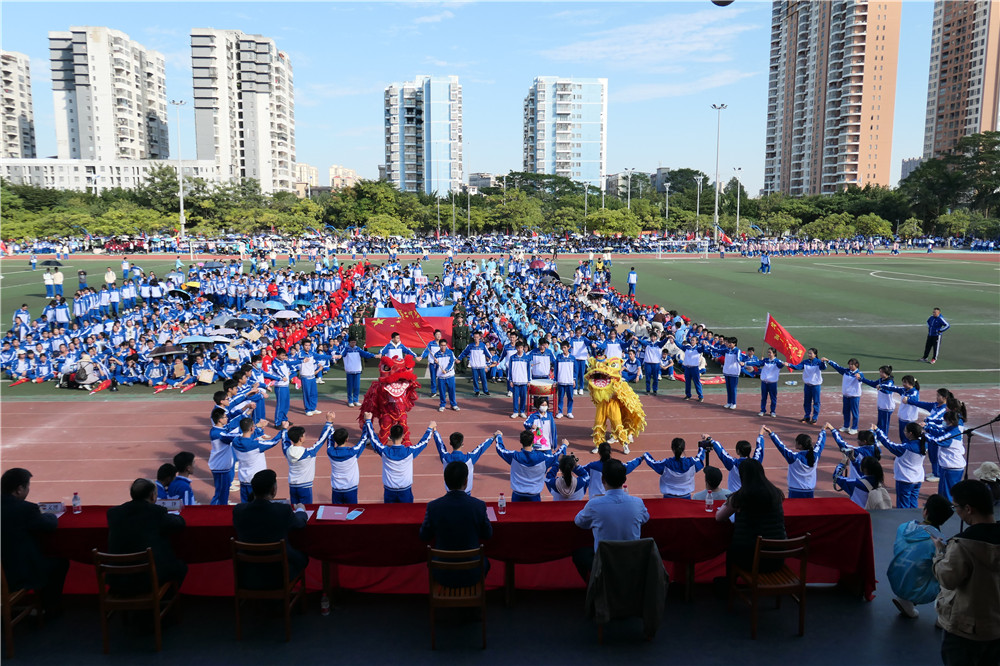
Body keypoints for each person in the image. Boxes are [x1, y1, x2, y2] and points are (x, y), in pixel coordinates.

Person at [932, 480, 1000, 665]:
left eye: (956, 507)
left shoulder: (963, 545)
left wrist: (939, 553)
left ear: (968, 509)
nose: (957, 512)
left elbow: (947, 578)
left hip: (965, 629)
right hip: (995, 627)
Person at [1, 468, 69, 613]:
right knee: (59, 564)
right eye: (27, 487)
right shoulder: (26, 509)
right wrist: (51, 515)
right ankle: (49, 609)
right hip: (17, 573)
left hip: (4, 569)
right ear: (19, 489)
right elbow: (49, 525)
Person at [572, 459, 650, 580]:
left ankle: (593, 585)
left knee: (579, 554)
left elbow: (579, 521)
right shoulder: (637, 503)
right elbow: (645, 518)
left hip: (605, 562)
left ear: (603, 479)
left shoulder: (594, 504)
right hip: (632, 560)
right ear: (624, 479)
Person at [106, 478, 187, 594]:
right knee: (180, 567)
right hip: (147, 581)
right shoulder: (156, 512)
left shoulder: (113, 513)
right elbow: (179, 523)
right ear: (153, 496)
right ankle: (162, 599)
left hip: (118, 580)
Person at [419, 461, 493, 587]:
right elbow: (488, 534)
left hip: (442, 573)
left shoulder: (433, 507)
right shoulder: (478, 506)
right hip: (472, 573)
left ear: (445, 481)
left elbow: (424, 536)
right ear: (466, 481)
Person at [232, 469, 309, 588]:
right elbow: (299, 524)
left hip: (248, 573)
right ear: (273, 490)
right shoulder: (283, 510)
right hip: (279, 574)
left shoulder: (238, 510)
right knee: (303, 558)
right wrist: (300, 510)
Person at [887, 494, 953, 619]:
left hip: (895, 580)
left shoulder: (904, 527)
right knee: (949, 574)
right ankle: (943, 616)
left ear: (925, 512)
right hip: (920, 591)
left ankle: (905, 601)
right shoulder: (940, 542)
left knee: (917, 563)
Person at [715, 459, 786, 575]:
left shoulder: (740, 497)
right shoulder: (776, 493)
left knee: (731, 549)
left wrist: (729, 501)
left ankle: (729, 583)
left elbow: (719, 517)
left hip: (749, 559)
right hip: (777, 559)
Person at [495, 429, 566, 502]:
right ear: (533, 442)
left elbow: (500, 449)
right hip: (534, 496)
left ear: (520, 441)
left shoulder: (514, 456)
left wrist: (499, 436)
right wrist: (564, 445)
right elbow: (557, 456)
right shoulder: (543, 458)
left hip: (517, 496)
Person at [369, 422, 430, 503]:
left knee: (389, 511)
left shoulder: (385, 452)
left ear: (390, 437)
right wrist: (430, 429)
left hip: (389, 491)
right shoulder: (410, 452)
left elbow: (373, 439)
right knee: (407, 511)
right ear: (403, 436)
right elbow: (423, 442)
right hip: (405, 491)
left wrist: (368, 421)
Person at [764, 425, 825, 498]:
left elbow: (781, 446)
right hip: (809, 492)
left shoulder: (794, 457)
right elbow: (820, 443)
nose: (795, 443)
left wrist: (771, 433)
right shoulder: (815, 455)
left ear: (800, 445)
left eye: (796, 442)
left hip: (795, 492)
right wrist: (823, 430)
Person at [434, 429, 498, 496]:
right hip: (466, 495)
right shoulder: (469, 459)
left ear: (450, 443)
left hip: (450, 495)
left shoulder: (445, 458)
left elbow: (440, 445)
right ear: (462, 444)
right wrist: (493, 438)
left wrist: (435, 431)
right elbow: (481, 447)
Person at [643, 438, 707, 499]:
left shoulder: (666, 464)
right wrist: (702, 445)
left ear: (672, 448)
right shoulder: (692, 463)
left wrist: (646, 455)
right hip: (686, 498)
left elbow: (653, 463)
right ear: (684, 448)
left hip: (668, 498)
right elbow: (700, 457)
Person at [787, 348, 827, 425]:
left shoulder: (818, 362)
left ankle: (814, 418)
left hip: (815, 385)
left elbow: (823, 367)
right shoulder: (805, 362)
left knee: (816, 402)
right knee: (806, 402)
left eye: (811, 353)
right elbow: (798, 367)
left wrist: (823, 361)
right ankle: (807, 416)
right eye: (808, 353)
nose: (809, 355)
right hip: (807, 385)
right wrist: (789, 365)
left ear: (815, 354)